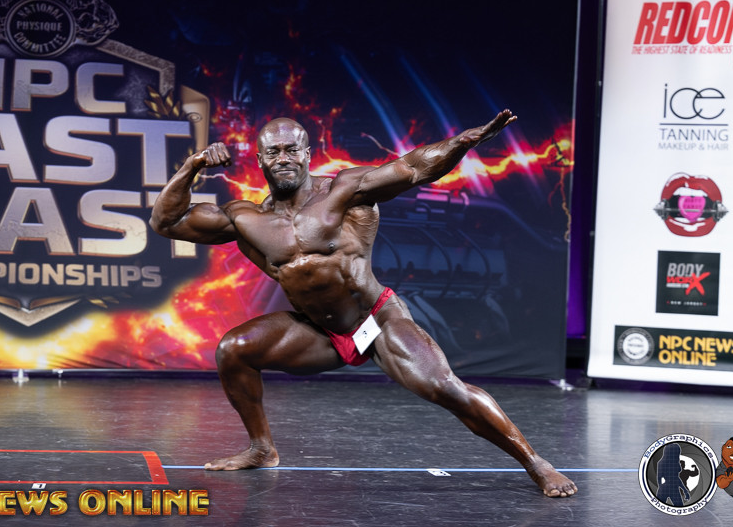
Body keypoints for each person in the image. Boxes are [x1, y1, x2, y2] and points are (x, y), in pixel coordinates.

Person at [150, 110, 577, 497]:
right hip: (319, 332)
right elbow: (165, 222)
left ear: (307, 154)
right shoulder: (244, 217)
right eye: (273, 152)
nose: (283, 158)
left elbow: (414, 167)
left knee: (445, 388)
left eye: (291, 150)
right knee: (234, 350)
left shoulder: (345, 190)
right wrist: (192, 167)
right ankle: (262, 448)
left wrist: (464, 142)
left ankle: (535, 463)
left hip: (376, 320)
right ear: (260, 160)